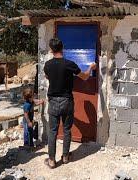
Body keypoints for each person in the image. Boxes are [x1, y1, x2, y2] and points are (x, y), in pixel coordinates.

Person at [43, 38, 96, 168]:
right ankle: (65, 157)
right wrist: (90, 67)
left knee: (53, 131)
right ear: (63, 48)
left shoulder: (47, 65)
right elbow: (84, 77)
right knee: (67, 130)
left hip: (53, 101)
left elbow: (48, 77)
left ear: (51, 50)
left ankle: (51, 160)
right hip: (67, 101)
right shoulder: (69, 64)